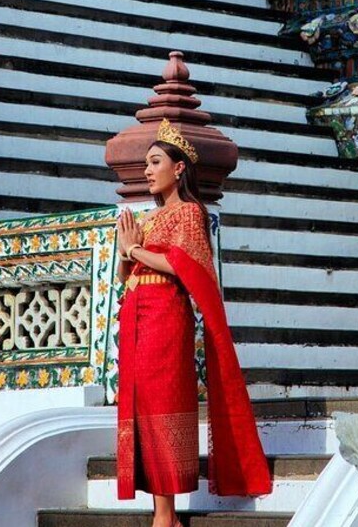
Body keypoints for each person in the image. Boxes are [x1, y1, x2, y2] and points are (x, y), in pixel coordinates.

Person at [114, 119, 272, 527]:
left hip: (166, 317)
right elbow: (125, 274)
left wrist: (135, 249)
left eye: (154, 162)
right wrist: (124, 251)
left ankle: (166, 515)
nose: (147, 171)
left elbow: (185, 266)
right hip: (136, 314)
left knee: (164, 404)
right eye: (146, 164)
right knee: (140, 408)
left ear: (178, 167)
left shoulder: (189, 212)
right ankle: (158, 510)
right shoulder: (147, 219)